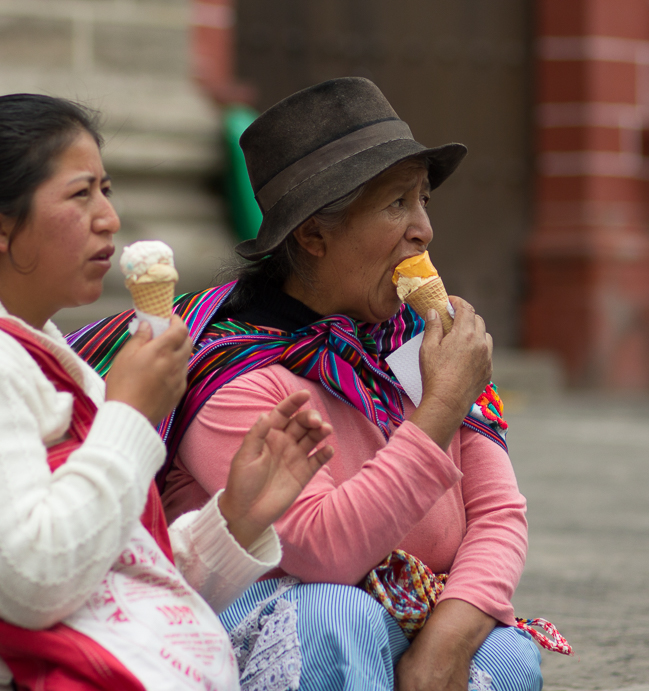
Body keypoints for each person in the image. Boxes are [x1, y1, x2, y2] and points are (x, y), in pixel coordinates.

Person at [72, 78, 544, 691]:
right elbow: (325, 551)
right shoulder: (234, 370)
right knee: (337, 617)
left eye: (422, 200)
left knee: (509, 656)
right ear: (313, 235)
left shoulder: (418, 341)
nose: (423, 229)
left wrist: (447, 641)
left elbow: (498, 513)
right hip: (277, 611)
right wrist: (441, 407)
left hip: (414, 608)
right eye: (395, 204)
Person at [0, 93, 334, 691]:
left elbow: (114, 584)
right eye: (81, 194)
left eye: (106, 189)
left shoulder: (37, 349)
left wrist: (236, 516)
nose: (109, 219)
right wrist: (129, 414)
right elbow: (33, 583)